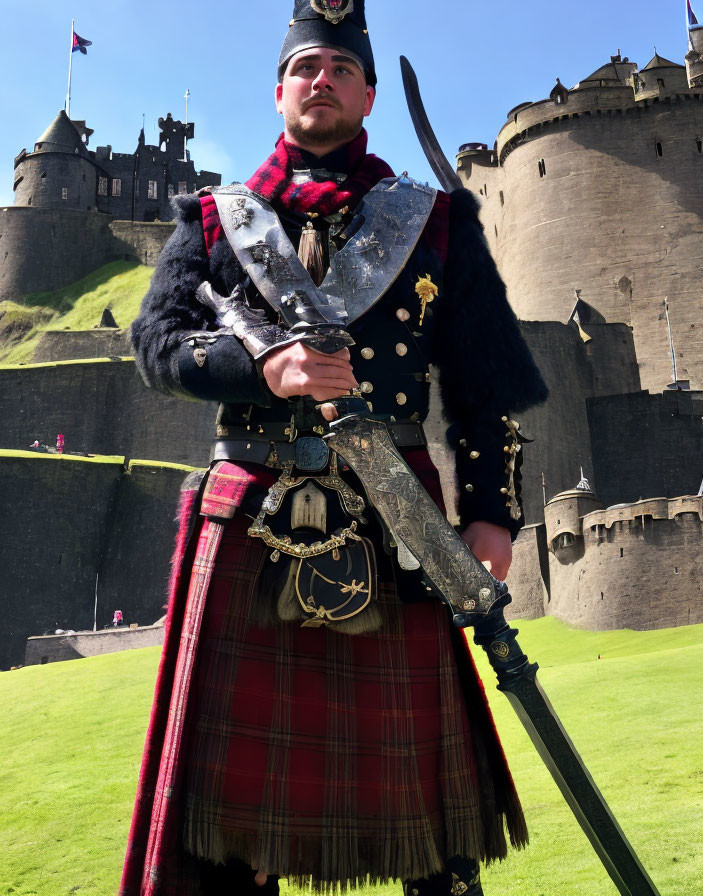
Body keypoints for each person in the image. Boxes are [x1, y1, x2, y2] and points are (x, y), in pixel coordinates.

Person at [120, 3, 547, 894]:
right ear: (279, 90)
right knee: (221, 839)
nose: (322, 81)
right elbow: (157, 346)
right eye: (306, 66)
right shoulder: (211, 220)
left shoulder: (434, 224)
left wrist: (494, 517)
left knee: (431, 834)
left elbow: (487, 389)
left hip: (399, 518)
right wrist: (259, 364)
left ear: (369, 94)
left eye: (340, 69)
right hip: (248, 511)